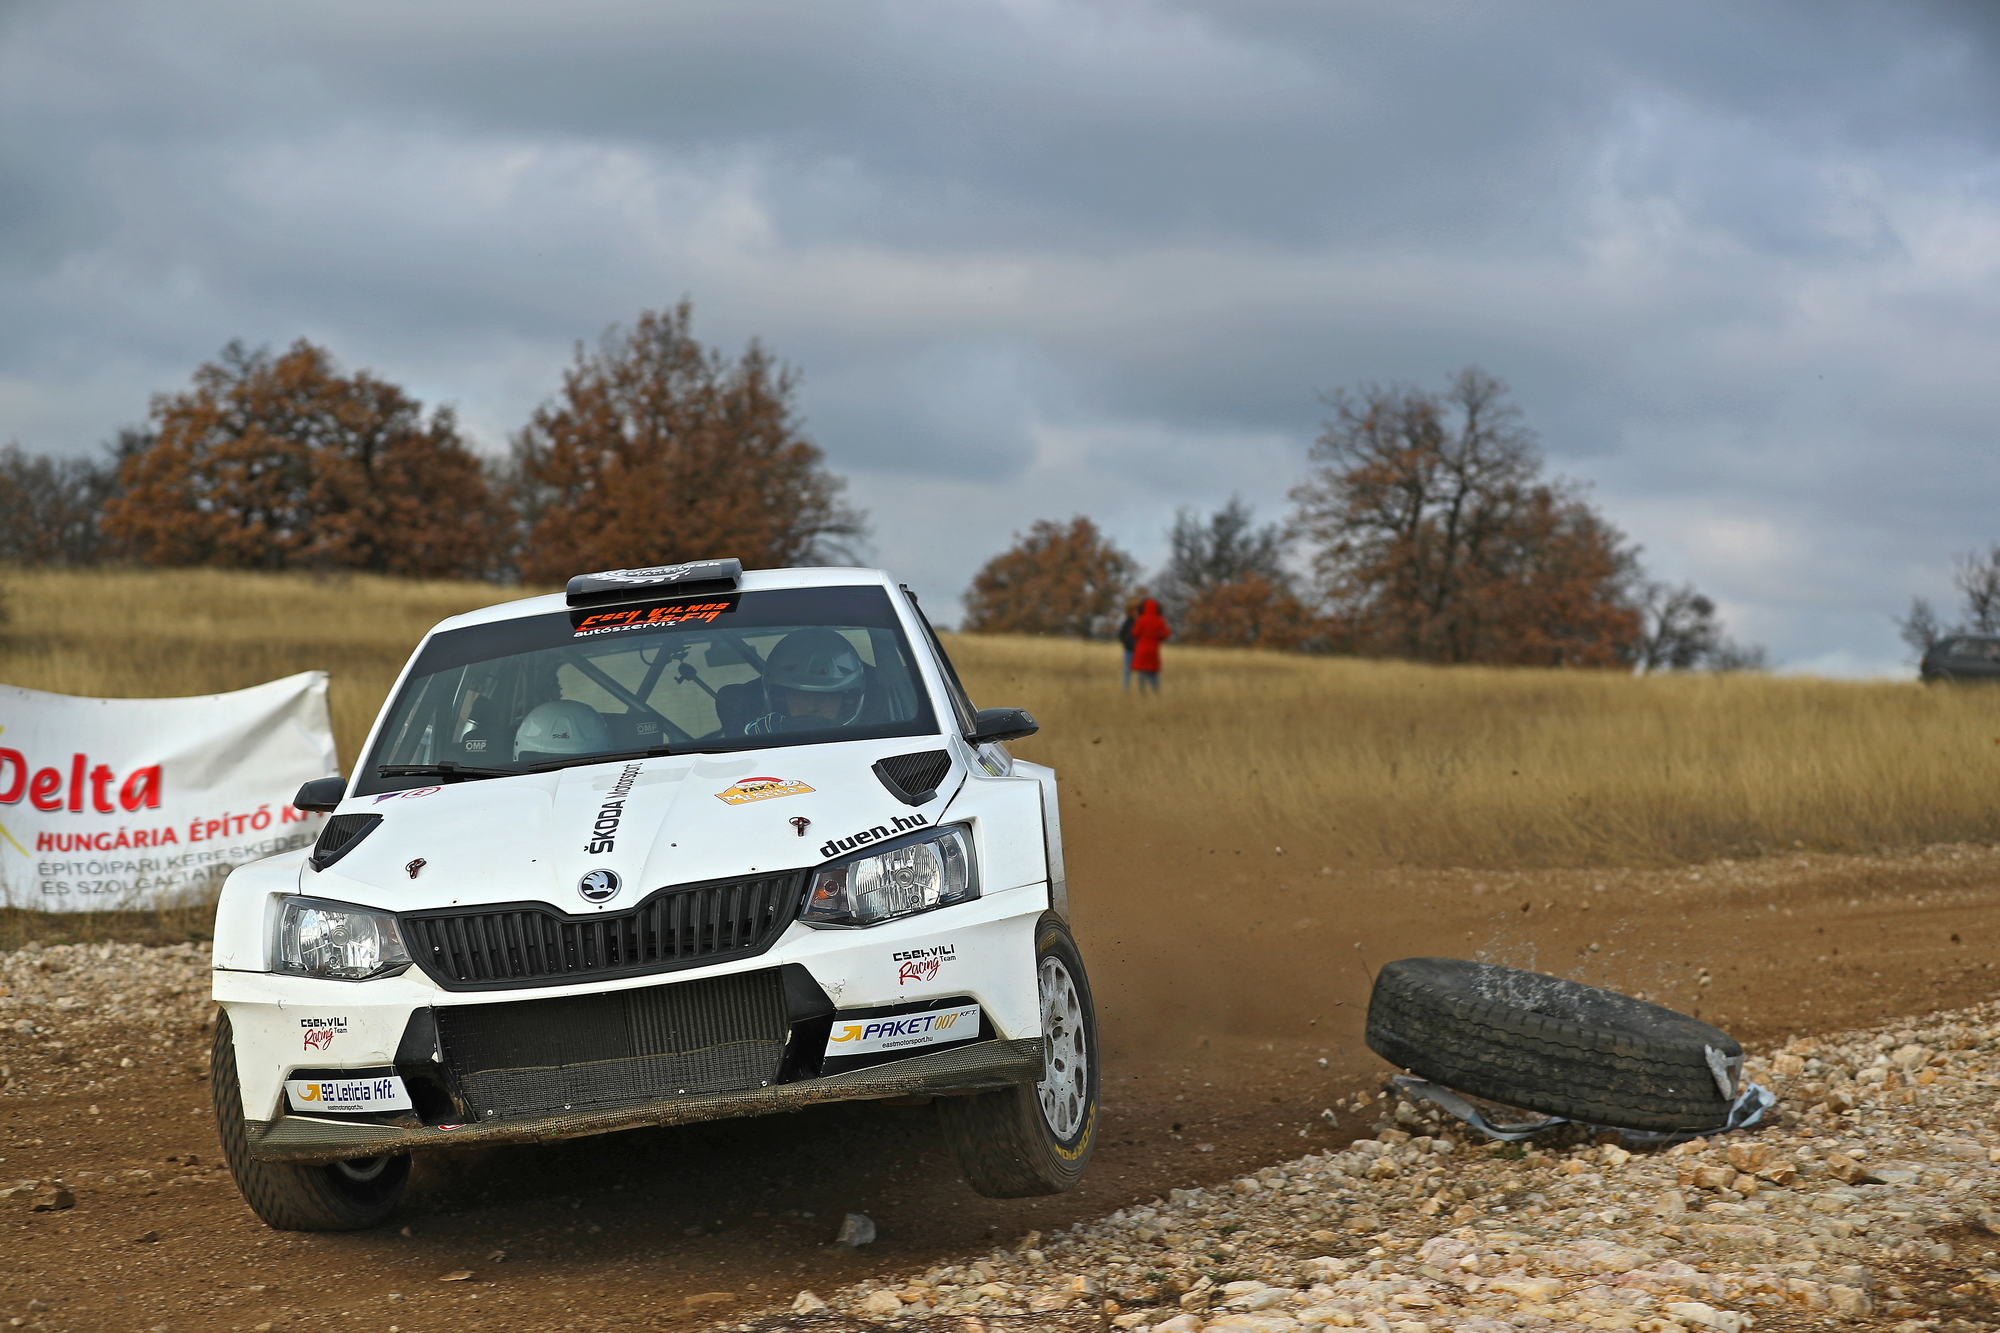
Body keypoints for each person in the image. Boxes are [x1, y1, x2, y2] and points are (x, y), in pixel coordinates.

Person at [743, 627, 871, 735]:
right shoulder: (746, 753)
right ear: (779, 699)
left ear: (847, 703)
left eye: (825, 697)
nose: (811, 707)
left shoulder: (878, 744)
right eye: (799, 695)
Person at [1129, 598, 1170, 693]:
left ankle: (1142, 692)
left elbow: (1134, 633)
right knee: (1153, 672)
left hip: (1141, 649)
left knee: (1142, 672)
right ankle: (1156, 691)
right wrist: (1158, 638)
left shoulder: (1141, 620)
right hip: (1153, 649)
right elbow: (1166, 634)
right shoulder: (1159, 620)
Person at [1116, 600, 1139, 689]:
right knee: (1127, 671)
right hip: (1129, 650)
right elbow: (1121, 635)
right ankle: (1125, 689)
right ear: (1130, 611)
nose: (1135, 612)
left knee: (1142, 672)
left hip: (1140, 651)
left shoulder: (1141, 621)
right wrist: (1127, 643)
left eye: (1137, 610)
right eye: (1133, 610)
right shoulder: (1127, 622)